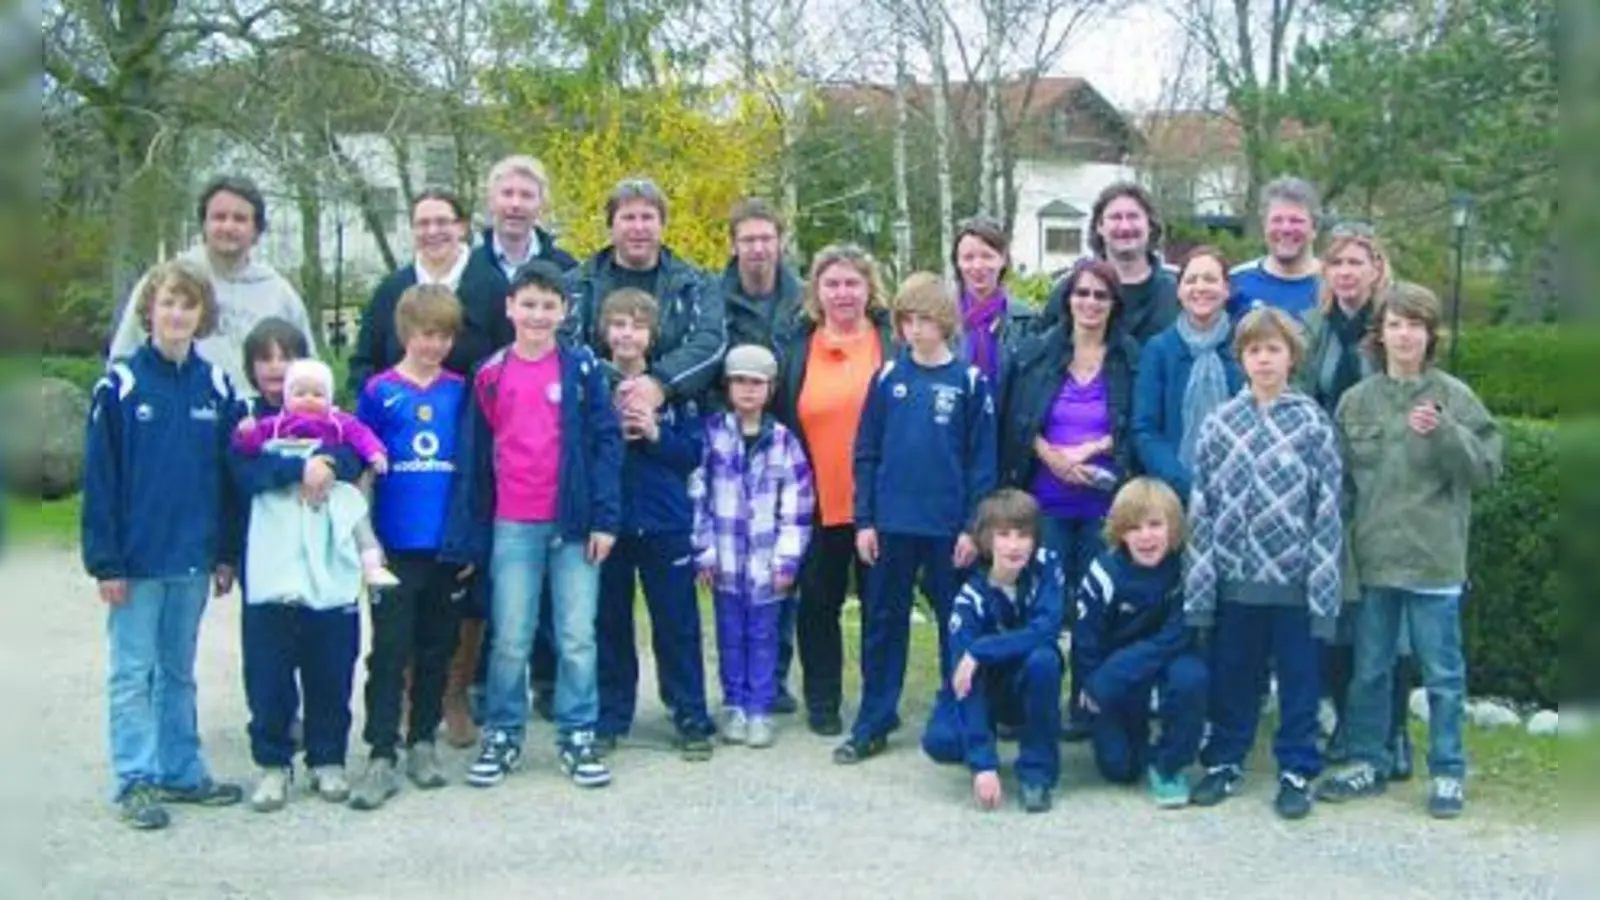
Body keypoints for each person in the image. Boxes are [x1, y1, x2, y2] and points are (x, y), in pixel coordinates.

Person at [1316, 283, 1502, 819]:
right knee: (1370, 669)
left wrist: (1445, 433)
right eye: (1395, 324)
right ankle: (1367, 762)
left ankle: (1448, 771)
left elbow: (1486, 471)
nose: (1405, 335)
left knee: (1443, 674)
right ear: (1380, 335)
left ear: (1430, 335)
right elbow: (1338, 486)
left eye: (1415, 325)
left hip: (1434, 563)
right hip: (1374, 563)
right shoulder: (1356, 401)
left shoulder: (1456, 398)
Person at [442, 260, 622, 790]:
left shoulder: (583, 370)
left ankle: (577, 732)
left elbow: (606, 445)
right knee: (511, 637)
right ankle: (503, 732)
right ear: (510, 308)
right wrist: (470, 534)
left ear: (564, 311)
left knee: (575, 635)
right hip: (512, 524)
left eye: (549, 305)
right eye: (529, 304)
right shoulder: (491, 373)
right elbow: (475, 457)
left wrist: (604, 519)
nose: (538, 314)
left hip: (573, 524)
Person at [83, 260, 244, 829]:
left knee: (178, 669)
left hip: (193, 559)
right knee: (133, 672)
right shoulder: (120, 384)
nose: (176, 314)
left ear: (202, 316)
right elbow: (100, 480)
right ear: (149, 311)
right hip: (136, 560)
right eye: (167, 303)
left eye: (188, 304)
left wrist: (227, 552)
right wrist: (105, 560)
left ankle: (181, 769)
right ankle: (136, 778)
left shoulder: (218, 386)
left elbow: (231, 477)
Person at [1185, 307, 1343, 821]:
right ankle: (1226, 759)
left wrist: (1321, 592)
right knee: (1234, 676)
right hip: (1234, 581)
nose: (1264, 359)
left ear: (1291, 357)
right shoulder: (1220, 424)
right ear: (1242, 359)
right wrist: (1202, 588)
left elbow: (1327, 511)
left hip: (1293, 583)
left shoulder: (1312, 424)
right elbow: (1201, 506)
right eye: (1255, 351)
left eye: (1274, 349)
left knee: (1299, 682)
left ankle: (1297, 768)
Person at [839, 272, 998, 765]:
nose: (915, 329)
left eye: (925, 319)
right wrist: (865, 520)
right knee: (883, 624)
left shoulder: (970, 383)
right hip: (891, 525)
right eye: (907, 320)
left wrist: (974, 528)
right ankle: (874, 718)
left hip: (949, 530)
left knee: (956, 624)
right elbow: (866, 453)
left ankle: (957, 714)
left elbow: (982, 464)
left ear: (946, 322)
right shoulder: (888, 379)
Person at [228, 318, 367, 814]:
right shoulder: (247, 423)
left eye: (285, 357)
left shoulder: (335, 421)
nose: (275, 367)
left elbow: (358, 457)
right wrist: (296, 468)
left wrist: (329, 465)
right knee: (268, 672)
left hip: (329, 573)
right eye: (264, 358)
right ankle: (272, 762)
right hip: (269, 572)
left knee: (331, 667)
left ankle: (327, 757)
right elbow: (242, 472)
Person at [1000, 258, 1141, 741]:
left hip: (1104, 507)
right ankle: (1028, 701)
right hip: (1047, 504)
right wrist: (1050, 455)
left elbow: (1132, 428)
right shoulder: (1036, 354)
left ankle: (1086, 704)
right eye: (1082, 293)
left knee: (1094, 609)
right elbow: (1017, 420)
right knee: (1042, 606)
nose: (1090, 304)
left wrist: (1093, 448)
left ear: (1114, 305)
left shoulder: (1129, 359)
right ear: (1067, 298)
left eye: (1101, 296)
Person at [346, 285, 470, 810]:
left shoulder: (461, 392)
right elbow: (360, 470)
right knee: (390, 650)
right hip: (395, 546)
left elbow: (472, 471)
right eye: (426, 334)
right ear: (405, 334)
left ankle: (423, 740)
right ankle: (381, 751)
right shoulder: (379, 392)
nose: (434, 345)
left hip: (444, 546)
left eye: (444, 336)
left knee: (437, 648)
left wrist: (468, 542)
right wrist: (365, 543)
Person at [1296, 226, 1414, 774]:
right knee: (1339, 609)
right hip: (1327, 482)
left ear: (1376, 268)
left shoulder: (1393, 325)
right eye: (1336, 262)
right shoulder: (1314, 329)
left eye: (1356, 262)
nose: (1345, 272)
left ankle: (1392, 732)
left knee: (1386, 611)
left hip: (1384, 483)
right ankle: (1346, 722)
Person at [774, 244, 896, 737]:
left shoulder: (891, 343)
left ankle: (877, 700)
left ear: (869, 290)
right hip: (816, 498)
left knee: (879, 606)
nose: (843, 293)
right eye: (832, 284)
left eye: (852, 283)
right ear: (816, 293)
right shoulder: (798, 348)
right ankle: (822, 699)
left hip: (879, 501)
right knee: (818, 602)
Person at [593, 288, 717, 759]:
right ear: (605, 332)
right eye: (619, 324)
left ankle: (690, 715)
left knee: (677, 623)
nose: (627, 334)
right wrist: (615, 435)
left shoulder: (676, 392)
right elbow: (581, 453)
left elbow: (692, 454)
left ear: (652, 334)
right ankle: (611, 715)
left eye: (637, 325)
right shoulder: (592, 384)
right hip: (610, 524)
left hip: (666, 522)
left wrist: (654, 432)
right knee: (610, 623)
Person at [692, 344, 816, 748]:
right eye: (740, 381)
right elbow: (699, 496)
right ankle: (734, 705)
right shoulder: (711, 435)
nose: (747, 390)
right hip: (725, 561)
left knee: (764, 635)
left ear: (771, 388)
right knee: (729, 634)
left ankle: (760, 707)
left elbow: (797, 508)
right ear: (728, 386)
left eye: (756, 383)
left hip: (767, 562)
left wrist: (787, 561)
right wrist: (704, 551)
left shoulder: (784, 442)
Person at [922, 489, 1065, 814]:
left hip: (1028, 677)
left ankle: (1036, 773)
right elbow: (965, 679)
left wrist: (982, 650)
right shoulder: (970, 596)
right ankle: (987, 737)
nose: (1014, 545)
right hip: (985, 687)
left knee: (1045, 659)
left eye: (1023, 535)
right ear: (986, 540)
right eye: (1003, 535)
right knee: (940, 744)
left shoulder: (1047, 566)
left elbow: (1046, 629)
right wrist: (983, 765)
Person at [109, 176, 316, 396]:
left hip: (259, 421)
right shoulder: (165, 282)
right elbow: (123, 358)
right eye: (219, 217)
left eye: (240, 219)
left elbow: (308, 371)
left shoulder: (279, 294)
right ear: (204, 225)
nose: (228, 226)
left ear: (256, 230)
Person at [719, 197, 807, 714]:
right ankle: (737, 682)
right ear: (734, 244)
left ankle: (774, 678)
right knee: (734, 566)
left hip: (791, 437)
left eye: (765, 238)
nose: (757, 248)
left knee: (782, 564)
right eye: (747, 239)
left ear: (780, 241)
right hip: (730, 436)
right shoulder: (714, 296)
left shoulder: (802, 299)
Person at [1072, 478, 1207, 808]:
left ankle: (1170, 764)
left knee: (1193, 677)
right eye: (1134, 528)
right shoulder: (1103, 572)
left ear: (1173, 527)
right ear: (1120, 533)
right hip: (1114, 677)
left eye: (1155, 525)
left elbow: (1175, 637)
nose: (1145, 536)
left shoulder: (1187, 569)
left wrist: (1112, 674)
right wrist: (1092, 688)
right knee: (1121, 769)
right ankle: (1129, 736)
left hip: (1165, 661)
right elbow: (1085, 641)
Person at [231, 359, 397, 588]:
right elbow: (249, 448)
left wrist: (375, 453)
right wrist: (246, 433)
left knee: (356, 515)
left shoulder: (339, 422)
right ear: (288, 398)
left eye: (318, 394)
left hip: (332, 492)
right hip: (288, 496)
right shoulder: (276, 424)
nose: (309, 399)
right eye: (300, 393)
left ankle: (371, 563)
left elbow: (361, 436)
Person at [566, 177, 727, 411]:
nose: (638, 227)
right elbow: (565, 343)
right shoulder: (576, 284)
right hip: (595, 415)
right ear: (611, 225)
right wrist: (613, 386)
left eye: (648, 217)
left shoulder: (697, 285)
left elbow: (709, 343)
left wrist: (659, 385)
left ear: (662, 225)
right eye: (628, 217)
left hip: (676, 421)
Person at [347, 190, 512, 394]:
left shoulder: (494, 287)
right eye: (423, 224)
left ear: (461, 227)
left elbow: (508, 363)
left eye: (442, 222)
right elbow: (364, 363)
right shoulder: (390, 291)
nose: (433, 231)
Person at [1132, 246, 1245, 501]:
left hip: (1238, 490)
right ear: (1180, 291)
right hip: (1173, 492)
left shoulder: (1244, 346)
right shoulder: (1159, 350)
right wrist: (1182, 481)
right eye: (1191, 280)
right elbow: (1145, 429)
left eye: (1210, 279)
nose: (1200, 287)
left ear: (1227, 289)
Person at [1037, 182, 1179, 344]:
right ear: (1099, 227)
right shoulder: (1071, 289)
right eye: (1115, 217)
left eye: (1133, 216)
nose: (1125, 227)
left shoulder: (1178, 292)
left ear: (1150, 225)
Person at [950, 215, 1036, 387]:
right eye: (968, 258)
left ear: (1003, 259)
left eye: (987, 256)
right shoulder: (942, 319)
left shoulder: (1026, 320)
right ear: (957, 263)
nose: (978, 266)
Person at [1228, 176, 1323, 321]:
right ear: (1264, 226)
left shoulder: (1335, 283)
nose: (1286, 229)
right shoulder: (1236, 281)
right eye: (1277, 220)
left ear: (1314, 228)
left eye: (1296, 220)